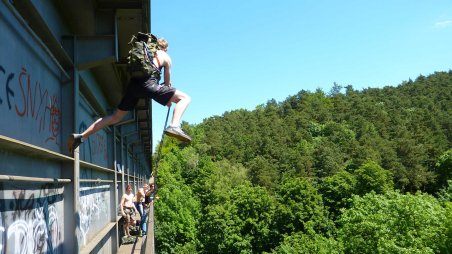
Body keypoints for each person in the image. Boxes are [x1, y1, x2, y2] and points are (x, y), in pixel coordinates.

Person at [68, 37, 191, 153]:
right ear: (165, 48)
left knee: (115, 117)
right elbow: (167, 83)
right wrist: (168, 98)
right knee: (185, 98)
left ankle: (82, 136)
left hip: (133, 87)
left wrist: (166, 95)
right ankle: (174, 125)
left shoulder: (145, 52)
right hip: (149, 85)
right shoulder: (165, 56)